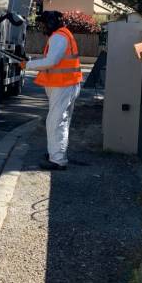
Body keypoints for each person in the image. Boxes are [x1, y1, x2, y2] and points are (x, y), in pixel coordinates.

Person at [25, 11, 82, 170]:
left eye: (43, 24)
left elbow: (51, 61)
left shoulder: (58, 37)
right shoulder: (63, 35)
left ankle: (57, 160)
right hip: (67, 85)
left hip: (62, 86)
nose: (42, 27)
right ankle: (56, 153)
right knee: (60, 121)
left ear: (50, 23)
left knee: (55, 122)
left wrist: (28, 65)